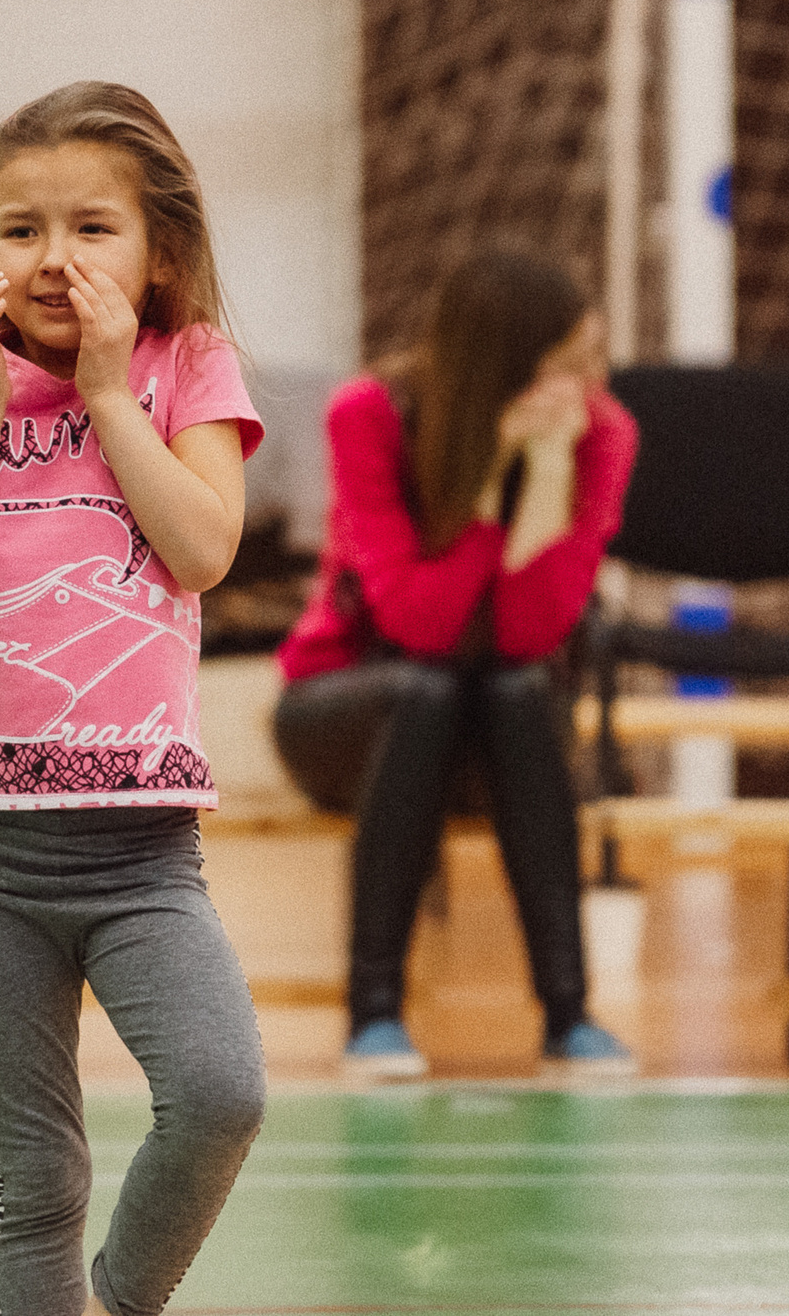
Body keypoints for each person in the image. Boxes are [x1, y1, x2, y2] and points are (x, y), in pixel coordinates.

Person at [0, 83, 267, 1316]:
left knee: (218, 1094)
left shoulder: (186, 367)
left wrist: (105, 391)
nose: (53, 257)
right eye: (20, 229)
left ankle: (115, 1302)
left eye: (92, 228)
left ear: (160, 252)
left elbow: (202, 549)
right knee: (34, 1174)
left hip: (141, 853)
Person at [273, 248, 638, 1079]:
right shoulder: (371, 412)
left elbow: (530, 635)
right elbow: (419, 622)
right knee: (430, 689)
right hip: (343, 716)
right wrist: (485, 485)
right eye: (573, 362)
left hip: (498, 729)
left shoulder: (603, 433)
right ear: (506, 369)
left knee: (515, 687)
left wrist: (546, 470)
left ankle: (570, 1015)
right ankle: (374, 1014)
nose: (595, 381)